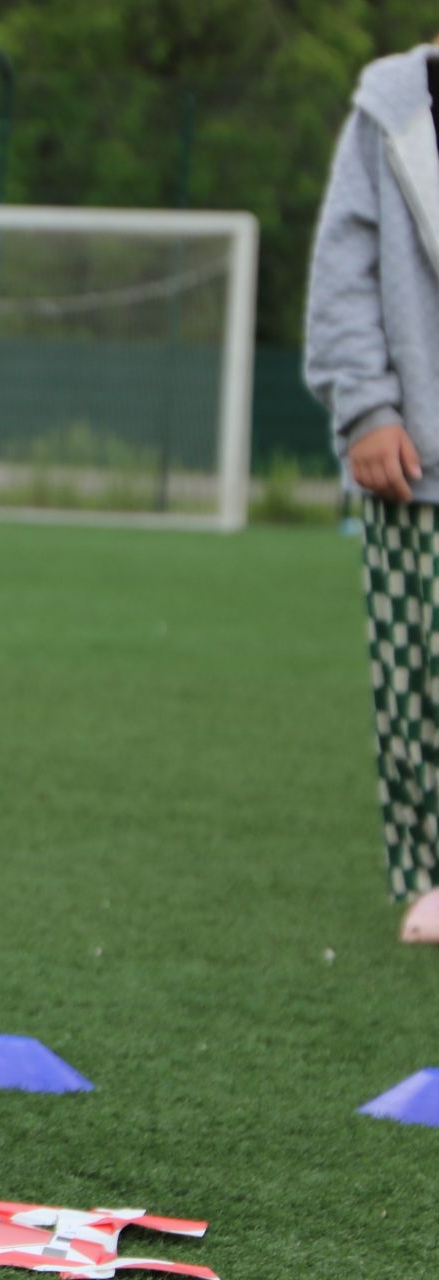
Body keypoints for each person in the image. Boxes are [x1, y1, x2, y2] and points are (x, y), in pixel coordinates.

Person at [305, 37, 439, 945]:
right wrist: (367, 406)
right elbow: (345, 271)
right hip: (421, 454)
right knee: (420, 675)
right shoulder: (395, 107)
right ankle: (433, 870)